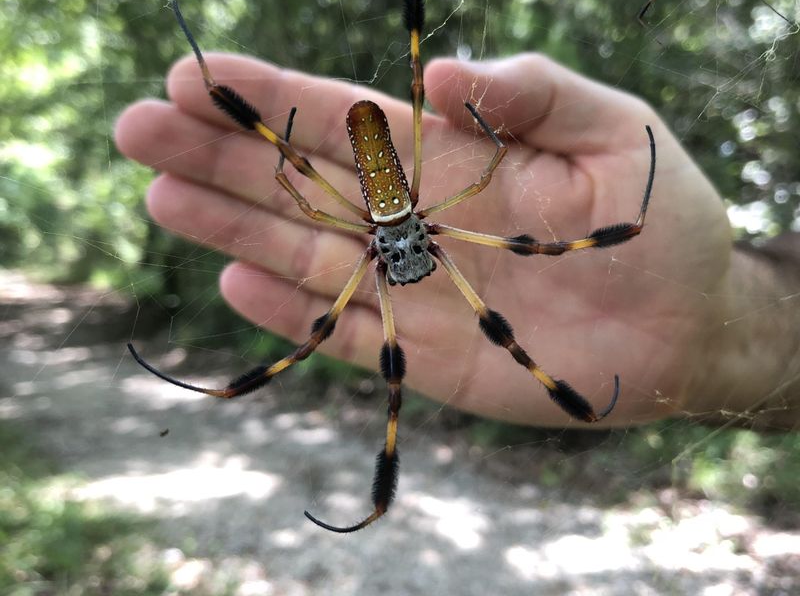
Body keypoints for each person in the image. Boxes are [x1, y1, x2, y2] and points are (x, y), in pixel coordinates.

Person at [115, 51, 800, 431]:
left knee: (527, 268)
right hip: (379, 190)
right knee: (339, 342)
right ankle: (211, 84)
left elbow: (543, 241)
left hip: (375, 198)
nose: (408, 264)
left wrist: (637, 229)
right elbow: (296, 184)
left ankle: (576, 401)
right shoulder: (428, 225)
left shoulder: (421, 222)